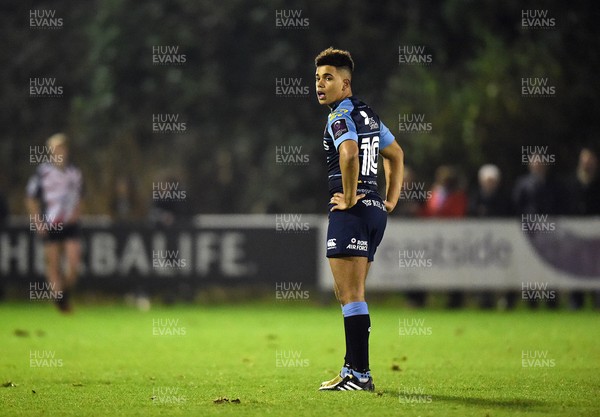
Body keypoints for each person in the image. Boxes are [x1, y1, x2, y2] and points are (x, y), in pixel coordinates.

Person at [314, 47, 404, 391]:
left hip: (351, 212)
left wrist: (349, 198)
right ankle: (352, 369)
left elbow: (349, 153)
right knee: (354, 294)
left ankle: (361, 375)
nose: (321, 84)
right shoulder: (368, 114)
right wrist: (390, 199)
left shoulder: (339, 117)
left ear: (345, 83)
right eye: (318, 78)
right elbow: (395, 153)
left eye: (329, 78)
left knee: (349, 295)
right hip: (374, 212)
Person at [25, 134, 83, 312]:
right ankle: (59, 301)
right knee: (54, 264)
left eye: (61, 149)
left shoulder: (75, 173)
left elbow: (81, 197)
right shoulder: (43, 173)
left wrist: (76, 213)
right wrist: (37, 221)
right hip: (50, 222)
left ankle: (63, 294)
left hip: (70, 224)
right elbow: (31, 199)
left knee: (73, 263)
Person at [468, 164, 511, 309]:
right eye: (487, 180)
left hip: (501, 243)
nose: (489, 183)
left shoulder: (504, 198)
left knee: (503, 271)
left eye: (492, 180)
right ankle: (485, 301)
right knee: (483, 272)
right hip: (480, 242)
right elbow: (470, 214)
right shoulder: (476, 197)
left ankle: (506, 300)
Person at [566, 148, 600, 309]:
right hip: (575, 234)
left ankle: (596, 300)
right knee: (575, 265)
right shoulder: (571, 183)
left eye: (590, 161)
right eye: (585, 161)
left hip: (596, 235)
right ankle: (575, 300)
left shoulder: (597, 183)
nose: (587, 164)